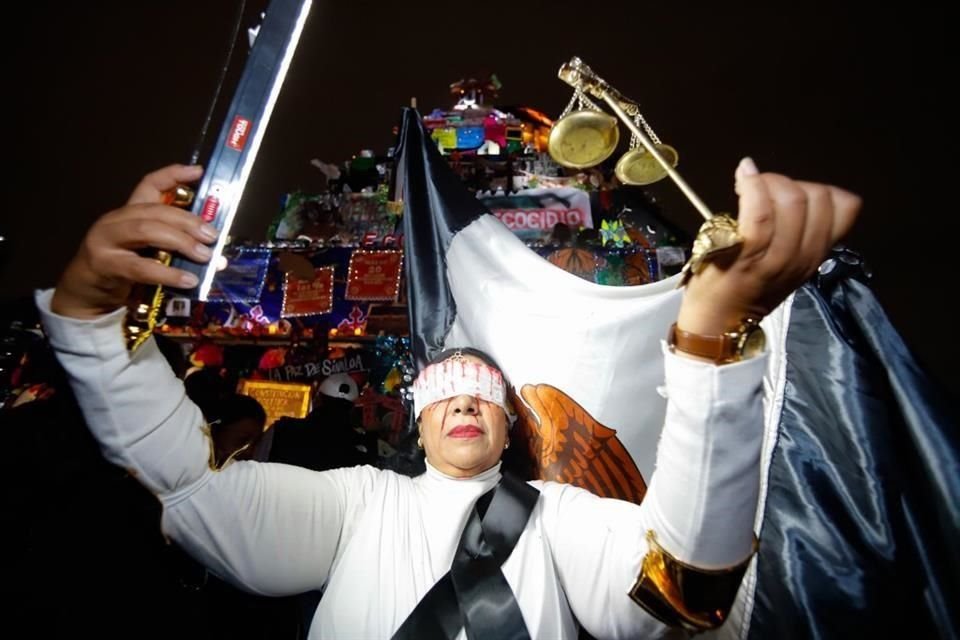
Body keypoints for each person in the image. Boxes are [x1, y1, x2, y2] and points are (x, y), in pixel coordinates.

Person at [37, 159, 860, 638]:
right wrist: (88, 320)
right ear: (420, 423)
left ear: (508, 428)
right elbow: (191, 485)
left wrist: (712, 346)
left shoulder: (561, 518)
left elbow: (683, 587)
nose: (464, 405)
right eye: (445, 395)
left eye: (482, 398)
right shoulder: (359, 504)